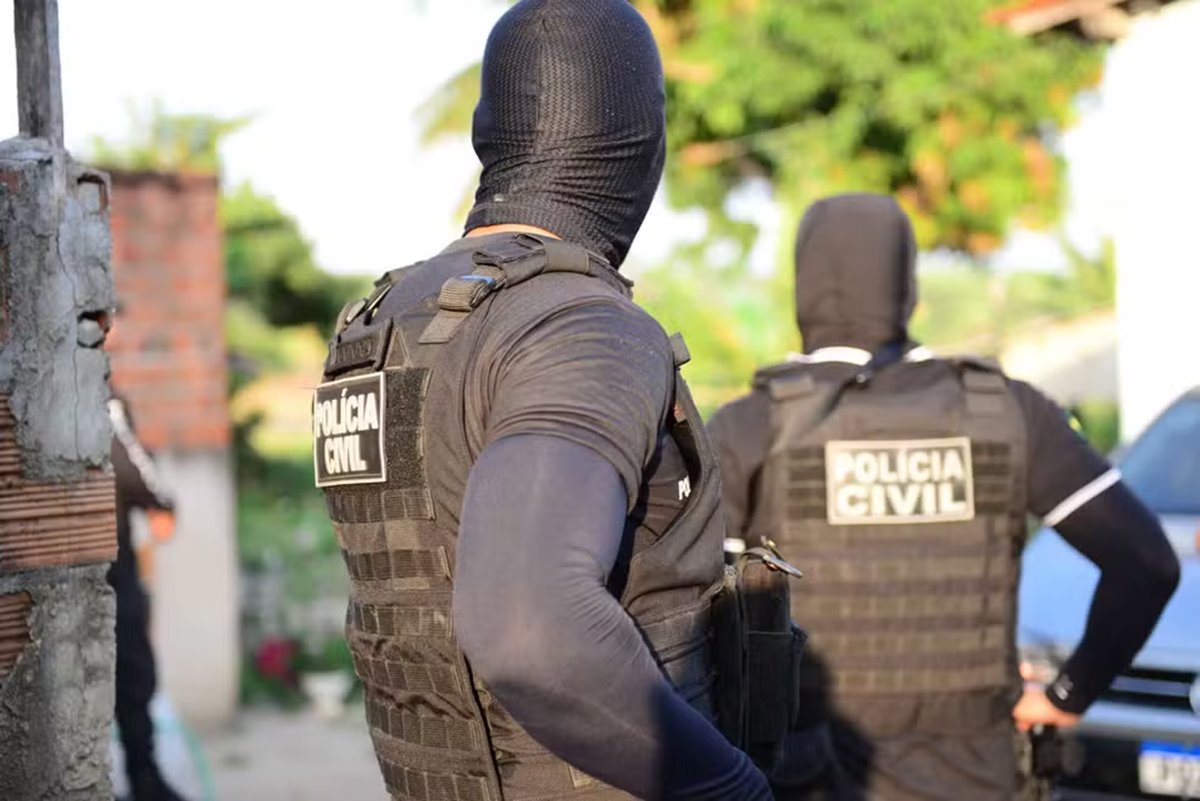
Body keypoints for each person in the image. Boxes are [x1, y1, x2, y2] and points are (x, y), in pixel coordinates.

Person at [314, 2, 776, 799]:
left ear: (489, 132)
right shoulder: (579, 323)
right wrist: (730, 786)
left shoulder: (383, 326)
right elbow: (529, 629)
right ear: (640, 142)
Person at [707, 193, 1180, 801]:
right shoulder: (1005, 411)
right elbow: (1147, 562)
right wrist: (1070, 694)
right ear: (907, 288)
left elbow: (696, 618)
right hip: (980, 774)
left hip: (808, 774)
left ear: (804, 288)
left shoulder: (751, 426)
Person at [108, 394, 187, 801]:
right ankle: (144, 780)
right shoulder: (103, 400)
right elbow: (135, 469)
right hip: (108, 571)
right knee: (132, 673)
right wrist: (162, 502)